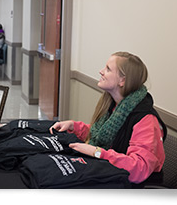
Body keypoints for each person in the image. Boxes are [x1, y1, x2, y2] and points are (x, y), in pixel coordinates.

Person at [50, 52, 167, 185]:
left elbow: (139, 169)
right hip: (111, 174)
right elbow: (102, 135)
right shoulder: (114, 104)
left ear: (122, 80)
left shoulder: (146, 119)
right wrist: (74, 126)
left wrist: (98, 153)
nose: (101, 71)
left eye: (108, 69)